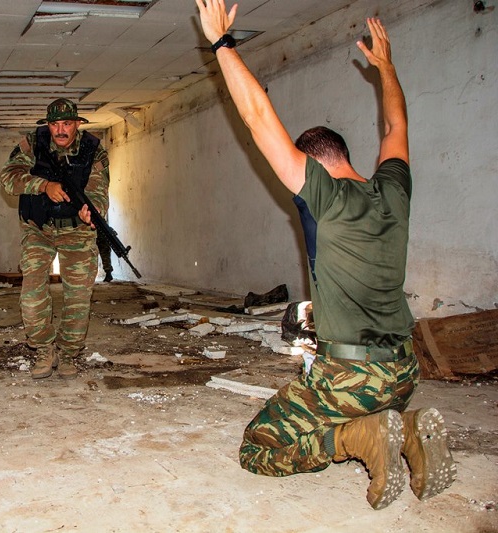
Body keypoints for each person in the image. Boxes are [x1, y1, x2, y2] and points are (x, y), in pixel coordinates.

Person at [195, 0, 455, 509]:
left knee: (259, 448)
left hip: (351, 378)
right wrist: (386, 68)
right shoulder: (393, 192)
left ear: (312, 164)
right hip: (404, 371)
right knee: (362, 405)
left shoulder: (325, 197)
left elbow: (256, 117)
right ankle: (404, 428)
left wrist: (222, 43)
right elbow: (395, 128)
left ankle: (357, 437)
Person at [0, 98, 109, 379]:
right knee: (32, 294)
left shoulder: (93, 150)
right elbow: (9, 178)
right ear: (48, 125)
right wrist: (43, 185)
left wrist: (92, 211)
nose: (60, 130)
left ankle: (69, 353)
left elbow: (98, 190)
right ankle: (43, 349)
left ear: (77, 124)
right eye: (55, 124)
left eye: (67, 124)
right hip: (39, 228)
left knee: (78, 297)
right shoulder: (32, 144)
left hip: (77, 231)